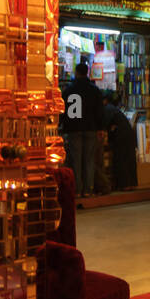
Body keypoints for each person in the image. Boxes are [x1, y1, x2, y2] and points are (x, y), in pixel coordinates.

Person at [61, 60, 105, 197]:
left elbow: (64, 111)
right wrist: (100, 128)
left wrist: (63, 126)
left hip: (74, 129)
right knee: (89, 160)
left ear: (76, 73)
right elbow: (100, 111)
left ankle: (77, 190)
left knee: (76, 160)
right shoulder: (94, 90)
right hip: (91, 128)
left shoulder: (69, 90)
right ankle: (88, 189)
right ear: (87, 73)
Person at [103, 91, 138, 191]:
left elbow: (104, 124)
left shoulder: (108, 109)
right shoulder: (114, 109)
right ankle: (132, 184)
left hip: (121, 136)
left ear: (105, 100)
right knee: (129, 159)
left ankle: (124, 185)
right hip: (128, 135)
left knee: (121, 159)